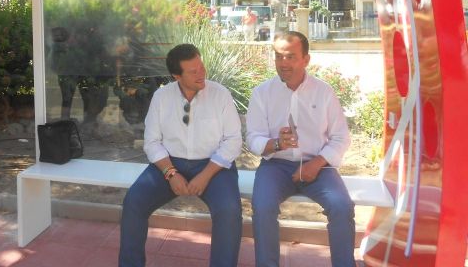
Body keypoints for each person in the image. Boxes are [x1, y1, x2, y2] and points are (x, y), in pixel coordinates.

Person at [119, 44, 243, 267]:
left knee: (229, 211)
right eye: (193, 71)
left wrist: (205, 175)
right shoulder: (161, 97)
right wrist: (170, 173)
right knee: (133, 202)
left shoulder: (220, 94)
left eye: (201, 67)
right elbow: (152, 142)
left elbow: (233, 141)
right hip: (169, 163)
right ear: (177, 76)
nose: (201, 73)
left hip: (214, 166)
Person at [246, 31, 354, 267]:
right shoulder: (262, 93)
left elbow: (341, 137)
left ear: (306, 59)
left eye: (290, 57)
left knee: (341, 206)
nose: (283, 63)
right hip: (276, 166)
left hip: (318, 165)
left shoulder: (323, 92)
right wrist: (277, 143)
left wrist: (316, 164)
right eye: (278, 56)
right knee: (262, 207)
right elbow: (253, 138)